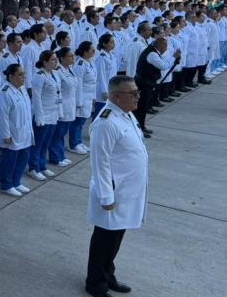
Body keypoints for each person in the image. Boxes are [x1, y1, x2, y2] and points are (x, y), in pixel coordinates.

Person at [85, 75, 148, 297]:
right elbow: (100, 163)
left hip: (127, 192)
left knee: (115, 239)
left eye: (137, 92)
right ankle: (96, 283)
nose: (137, 96)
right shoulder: (106, 122)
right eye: (133, 93)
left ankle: (108, 275)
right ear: (115, 96)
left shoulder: (126, 114)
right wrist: (106, 197)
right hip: (113, 193)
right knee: (104, 240)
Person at [0, 64, 34, 197]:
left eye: (24, 74)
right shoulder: (5, 93)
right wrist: (6, 135)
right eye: (20, 74)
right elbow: (2, 116)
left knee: (23, 157)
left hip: (24, 131)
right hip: (12, 133)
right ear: (11, 76)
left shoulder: (21, 88)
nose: (24, 77)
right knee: (9, 160)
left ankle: (16, 181)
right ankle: (6, 185)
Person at [133, 37, 178, 137]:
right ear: (160, 46)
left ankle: (141, 126)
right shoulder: (152, 54)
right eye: (165, 46)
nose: (166, 49)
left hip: (147, 82)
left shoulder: (153, 51)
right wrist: (174, 58)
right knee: (141, 107)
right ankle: (139, 128)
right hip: (143, 83)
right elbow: (163, 66)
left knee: (143, 106)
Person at [29, 50, 61, 181]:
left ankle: (42, 166)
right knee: (38, 143)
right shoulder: (39, 76)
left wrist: (59, 111)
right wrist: (39, 117)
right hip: (43, 114)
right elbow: (36, 98)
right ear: (45, 62)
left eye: (56, 59)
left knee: (46, 142)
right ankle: (33, 168)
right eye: (53, 59)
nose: (56, 61)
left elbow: (58, 93)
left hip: (53, 113)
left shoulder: (54, 73)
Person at [71, 41, 97, 154]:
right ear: (85, 52)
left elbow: (94, 81)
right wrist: (79, 101)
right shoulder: (80, 65)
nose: (94, 51)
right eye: (92, 49)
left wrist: (94, 97)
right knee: (77, 122)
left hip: (89, 96)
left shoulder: (90, 62)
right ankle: (74, 144)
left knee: (82, 122)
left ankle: (79, 141)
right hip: (82, 96)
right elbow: (78, 84)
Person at [93, 34, 117, 120]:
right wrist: (104, 91)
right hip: (103, 91)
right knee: (99, 113)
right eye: (111, 42)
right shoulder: (101, 58)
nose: (113, 44)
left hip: (111, 88)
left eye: (113, 42)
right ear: (104, 44)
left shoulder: (111, 55)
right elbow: (101, 76)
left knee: (107, 114)